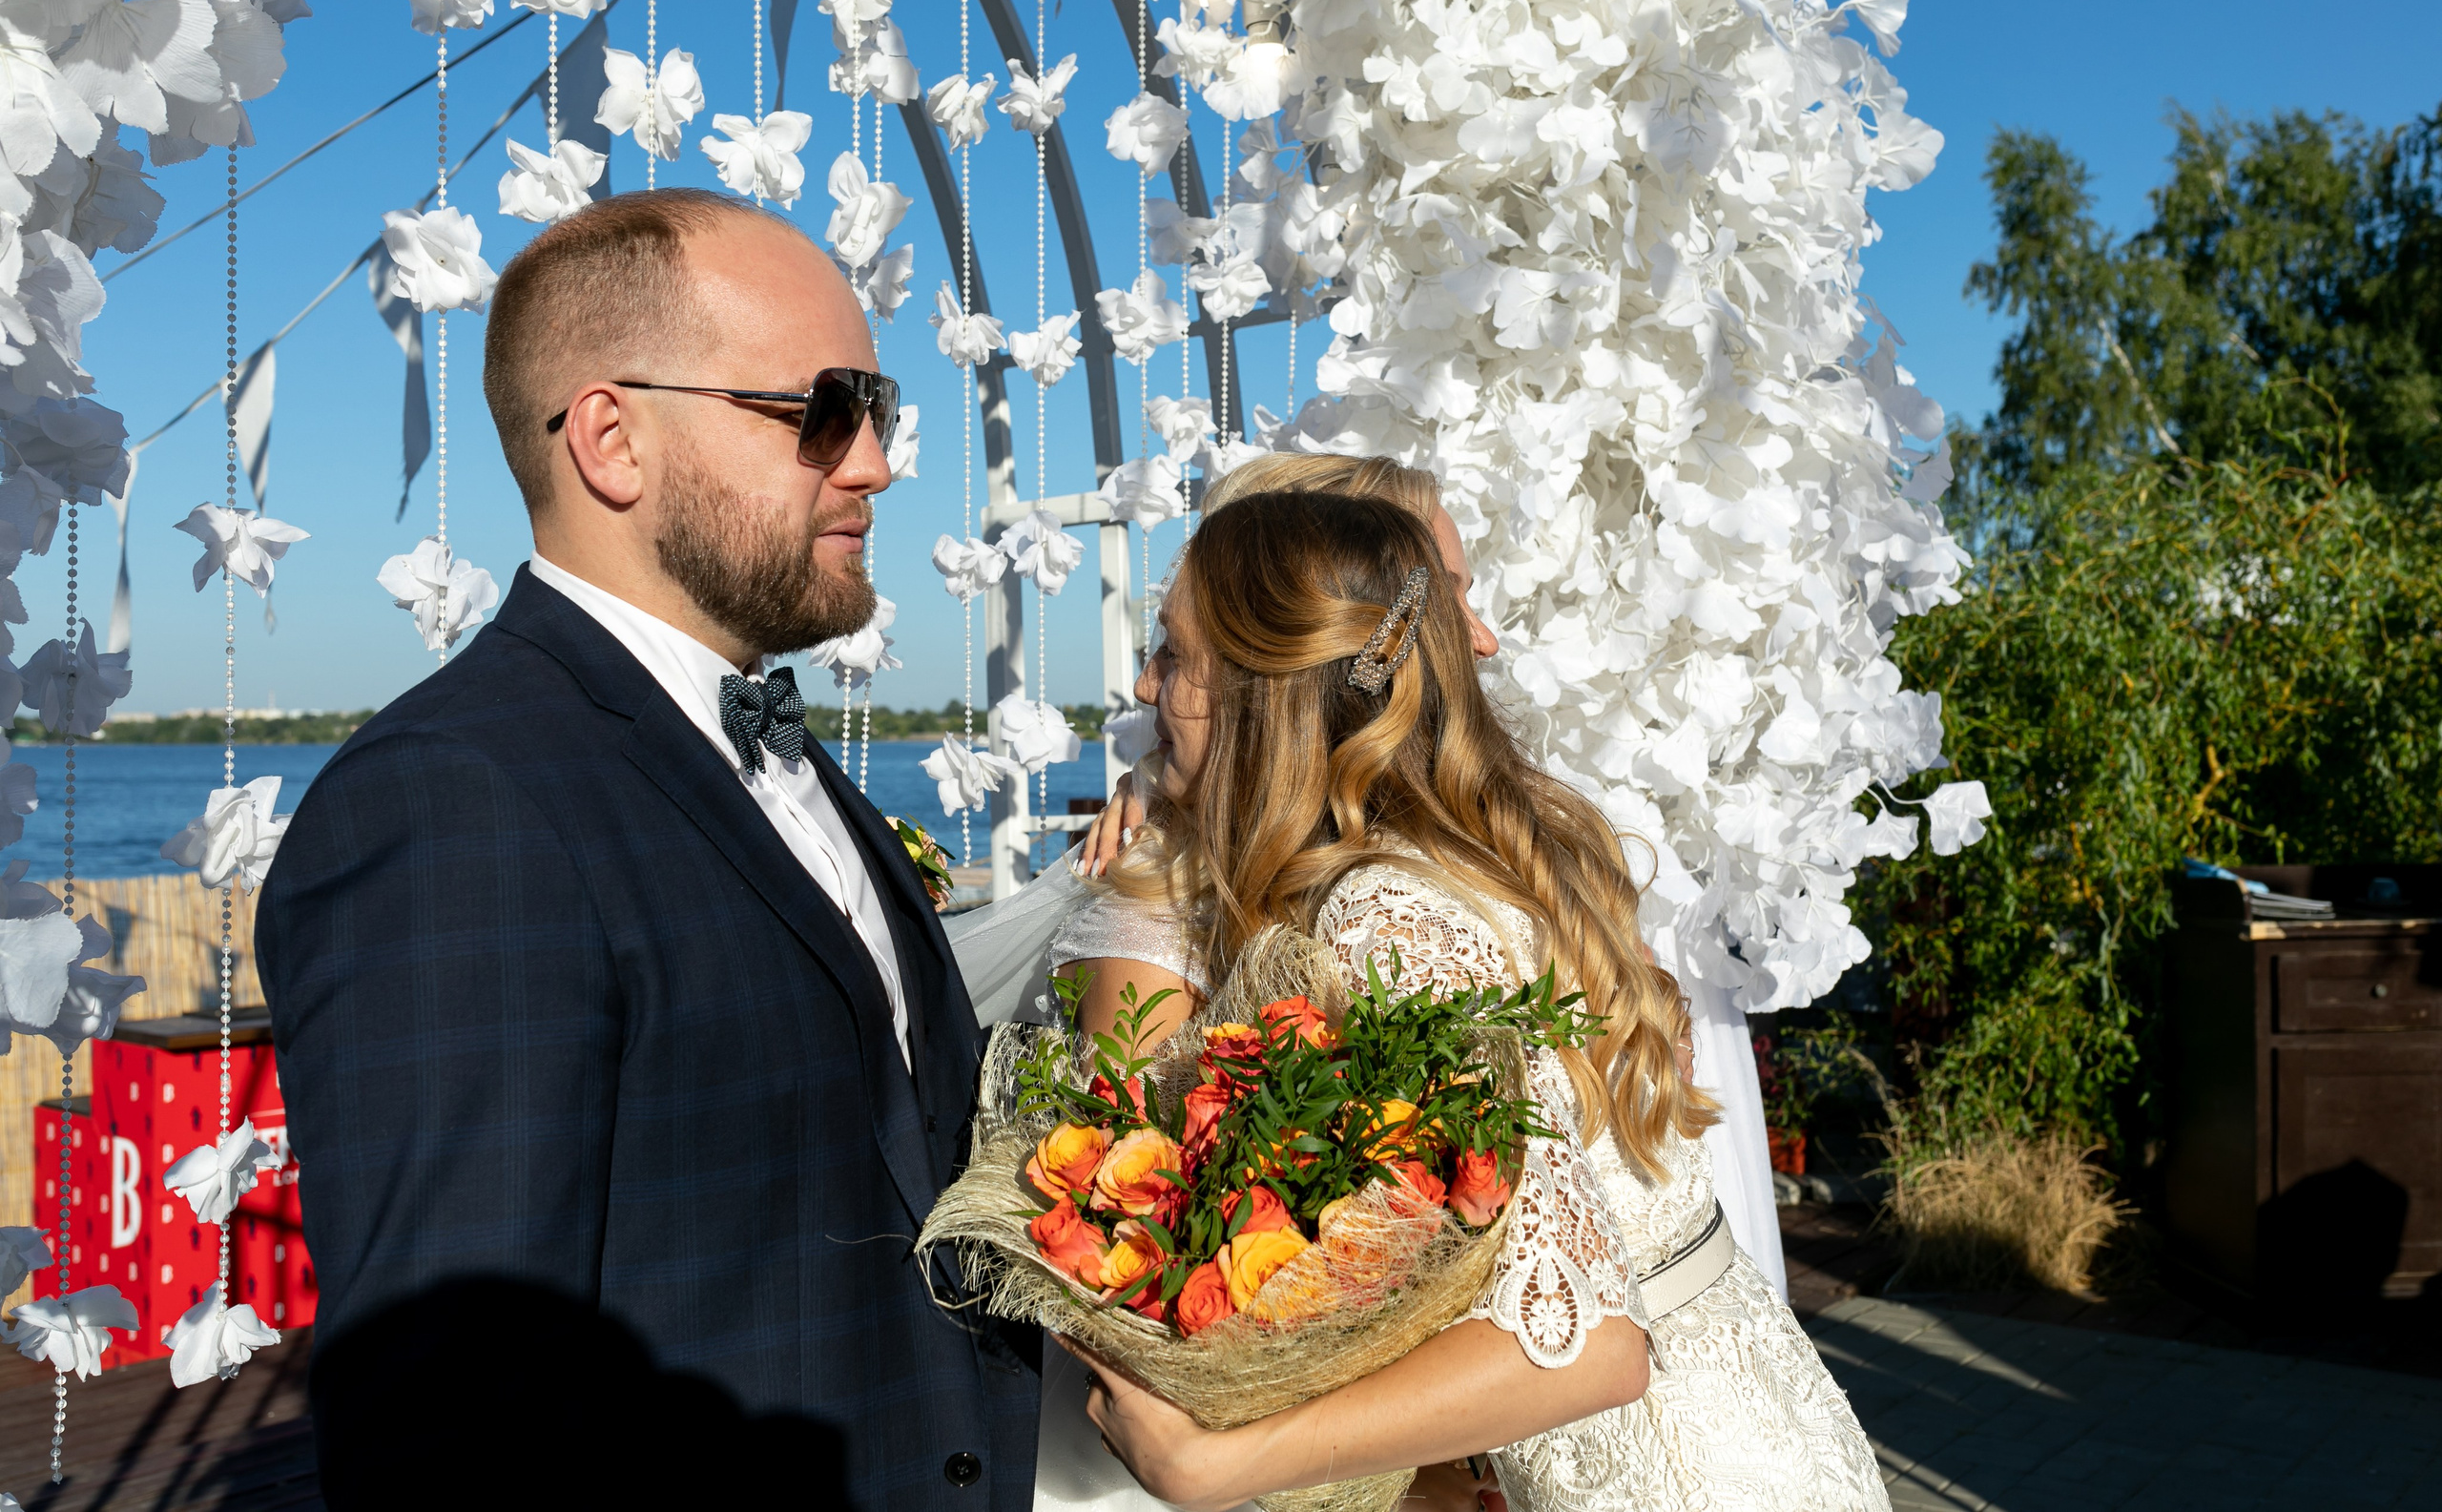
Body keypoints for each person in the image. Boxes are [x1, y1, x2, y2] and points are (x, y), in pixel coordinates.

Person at [256, 190, 1035, 1508]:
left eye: (881, 410)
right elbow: (452, 1421)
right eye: (823, 409)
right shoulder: (456, 802)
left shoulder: (786, 760)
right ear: (612, 438)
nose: (876, 463)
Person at [1057, 491, 1888, 1512]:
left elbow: (1588, 1347)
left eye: (1171, 655)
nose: (1143, 682)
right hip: (1754, 1418)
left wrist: (1222, 1462)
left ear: (1264, 690)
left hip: (1662, 1466)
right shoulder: (1484, 839)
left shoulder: (1384, 913)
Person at [1070, 454, 1790, 1307]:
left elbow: (1537, 1279)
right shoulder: (1192, 887)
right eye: (1437, 596)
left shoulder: (1428, 886)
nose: (1476, 636)